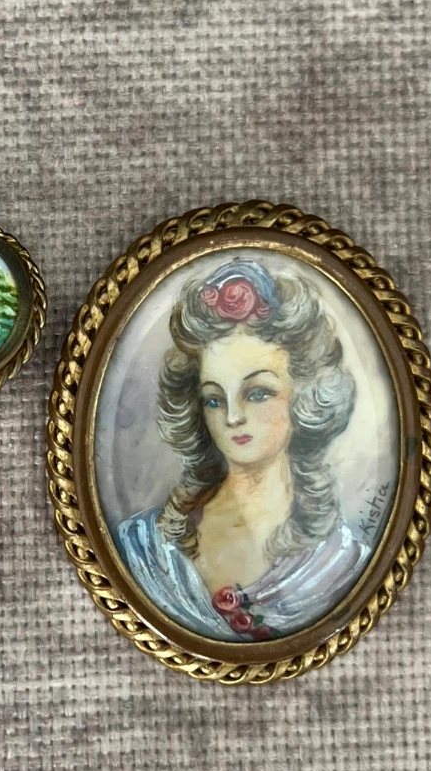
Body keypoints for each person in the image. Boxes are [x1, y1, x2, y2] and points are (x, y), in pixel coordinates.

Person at [116, 258, 369, 641]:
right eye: (214, 399)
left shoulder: (340, 564)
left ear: (305, 397)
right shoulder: (144, 546)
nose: (233, 417)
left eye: (258, 393)